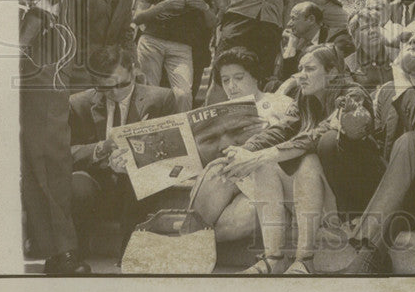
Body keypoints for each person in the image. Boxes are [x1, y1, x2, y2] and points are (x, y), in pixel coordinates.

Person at [19, 0, 109, 274]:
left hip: (50, 58)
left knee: (49, 148)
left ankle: (61, 249)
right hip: (0, 41)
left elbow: (102, 15)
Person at [227, 44, 382, 274]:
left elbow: (316, 135)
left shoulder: (353, 94)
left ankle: (305, 259)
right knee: (265, 166)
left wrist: (262, 154)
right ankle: (274, 258)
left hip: (356, 200)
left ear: (331, 72)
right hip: (323, 196)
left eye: (310, 69)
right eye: (300, 68)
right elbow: (281, 129)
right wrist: (245, 151)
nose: (301, 75)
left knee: (308, 159)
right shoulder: (305, 97)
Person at [343, 21, 415, 273]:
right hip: (394, 196)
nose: (411, 42)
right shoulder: (386, 91)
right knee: (335, 142)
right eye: (406, 38)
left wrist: (400, 75)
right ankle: (368, 250)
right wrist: (354, 128)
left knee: (410, 139)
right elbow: (378, 146)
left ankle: (367, 248)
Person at [187, 47, 298, 273]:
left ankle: (186, 246)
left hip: (266, 182)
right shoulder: (219, 110)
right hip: (230, 175)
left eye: (239, 78)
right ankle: (188, 246)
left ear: (255, 76)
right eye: (225, 81)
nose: (232, 86)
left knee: (235, 222)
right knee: (215, 171)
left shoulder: (280, 103)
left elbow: (294, 142)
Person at [69, 44, 177, 263]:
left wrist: (136, 159)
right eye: (106, 88)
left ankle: (130, 253)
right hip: (98, 184)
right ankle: (77, 251)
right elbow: (66, 152)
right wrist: (100, 148)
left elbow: (173, 151)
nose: (115, 93)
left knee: (140, 179)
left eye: (123, 85)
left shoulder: (161, 99)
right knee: (76, 184)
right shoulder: (78, 103)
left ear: (134, 70)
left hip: (139, 186)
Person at [133, 0, 215, 111]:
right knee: (149, 91)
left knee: (183, 94)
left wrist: (204, 8)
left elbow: (212, 24)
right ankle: (144, 131)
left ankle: (182, 133)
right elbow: (138, 17)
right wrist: (162, 6)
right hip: (152, 41)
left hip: (182, 46)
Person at [275, 1, 356, 83]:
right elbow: (284, 77)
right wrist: (291, 45)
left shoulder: (337, 38)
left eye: (293, 19)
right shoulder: (298, 41)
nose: (289, 24)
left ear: (311, 19)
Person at [343, 7, 397, 91]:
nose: (372, 31)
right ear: (354, 36)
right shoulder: (348, 65)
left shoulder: (397, 54)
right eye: (364, 28)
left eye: (375, 25)